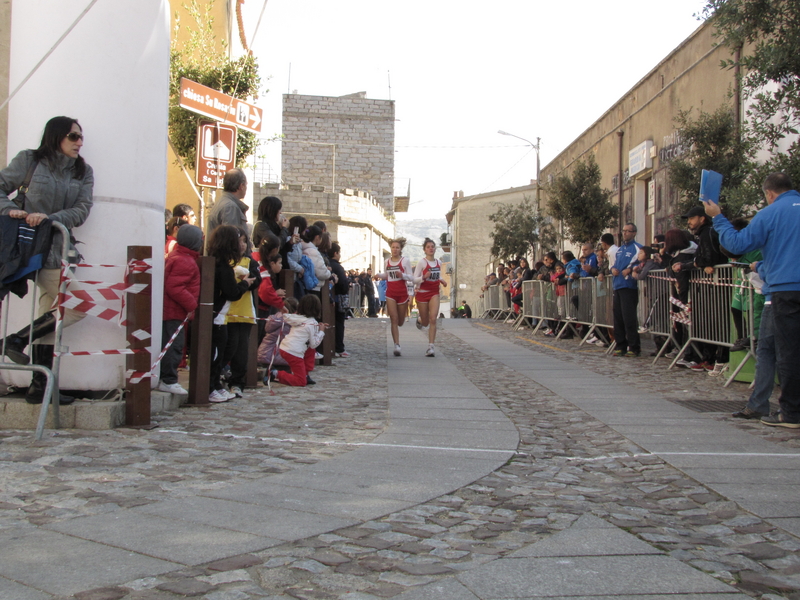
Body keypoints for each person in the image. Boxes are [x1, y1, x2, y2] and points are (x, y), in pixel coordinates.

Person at [0, 116, 94, 405]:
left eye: (80, 137)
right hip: (24, 248)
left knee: (50, 311)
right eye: (73, 136)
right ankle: (15, 340)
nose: (79, 142)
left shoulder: (83, 171)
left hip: (57, 248)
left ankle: (39, 386)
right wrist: (9, 210)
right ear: (56, 136)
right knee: (79, 305)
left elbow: (82, 209)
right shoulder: (29, 160)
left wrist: (50, 219)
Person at [705, 173, 800, 428]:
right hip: (778, 287)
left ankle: (791, 413)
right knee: (768, 348)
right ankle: (759, 405)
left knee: (787, 352)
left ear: (769, 194)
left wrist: (717, 217)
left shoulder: (770, 213)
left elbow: (737, 244)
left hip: (784, 290)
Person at [207, 225, 255, 403]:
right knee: (216, 354)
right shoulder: (223, 266)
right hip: (218, 315)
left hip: (222, 316)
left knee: (221, 353)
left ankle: (216, 385)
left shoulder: (219, 263)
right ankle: (210, 387)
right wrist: (245, 284)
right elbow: (231, 292)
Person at [159, 225, 203, 395]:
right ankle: (168, 379)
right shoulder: (185, 260)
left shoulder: (178, 256)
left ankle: (167, 378)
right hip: (174, 311)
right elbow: (175, 287)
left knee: (171, 344)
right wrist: (192, 305)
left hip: (172, 310)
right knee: (174, 346)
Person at [222, 227, 262, 398]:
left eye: (245, 241)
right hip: (226, 312)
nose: (243, 244)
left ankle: (237, 382)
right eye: (240, 240)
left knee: (241, 350)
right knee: (227, 347)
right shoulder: (225, 262)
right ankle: (221, 375)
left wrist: (246, 281)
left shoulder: (249, 261)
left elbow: (256, 280)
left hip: (244, 311)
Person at [267, 294, 327, 387]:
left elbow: (287, 316)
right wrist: (321, 332)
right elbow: (314, 344)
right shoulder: (312, 322)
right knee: (300, 381)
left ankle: (304, 374)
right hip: (294, 352)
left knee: (302, 362)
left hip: (285, 347)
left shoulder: (297, 318)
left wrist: (284, 311)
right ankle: (276, 374)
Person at [374, 238, 414, 356]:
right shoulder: (387, 261)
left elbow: (411, 277)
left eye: (397, 247)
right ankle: (396, 345)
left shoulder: (405, 261)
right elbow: (387, 275)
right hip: (390, 293)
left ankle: (398, 337)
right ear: (390, 248)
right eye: (393, 247)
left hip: (402, 293)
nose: (395, 249)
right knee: (393, 319)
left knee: (400, 321)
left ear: (400, 249)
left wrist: (403, 275)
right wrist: (379, 275)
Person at [611, 223, 642, 357]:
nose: (625, 233)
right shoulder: (620, 249)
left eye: (628, 231)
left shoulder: (637, 248)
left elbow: (642, 262)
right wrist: (612, 270)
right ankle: (620, 345)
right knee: (618, 317)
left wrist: (631, 269)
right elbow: (613, 265)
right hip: (617, 285)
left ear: (634, 233)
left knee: (629, 318)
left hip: (629, 286)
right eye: (623, 231)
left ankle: (634, 346)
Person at [414, 237, 447, 357]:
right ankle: (420, 320)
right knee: (425, 322)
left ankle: (431, 347)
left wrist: (442, 280)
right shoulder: (422, 262)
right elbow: (414, 279)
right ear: (424, 250)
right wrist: (423, 277)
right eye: (428, 247)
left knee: (433, 319)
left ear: (435, 249)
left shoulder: (439, 262)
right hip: (422, 292)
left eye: (432, 246)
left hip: (434, 292)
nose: (431, 249)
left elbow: (438, 275)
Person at [207, 169, 249, 233]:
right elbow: (231, 238)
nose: (246, 188)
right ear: (241, 186)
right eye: (246, 184)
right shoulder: (230, 207)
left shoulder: (223, 202)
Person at [328, 242, 350, 358]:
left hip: (329, 297)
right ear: (336, 253)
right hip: (338, 298)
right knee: (339, 323)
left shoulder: (326, 263)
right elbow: (343, 284)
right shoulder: (338, 267)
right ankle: (339, 347)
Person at [300, 225, 331, 297]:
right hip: (313, 287)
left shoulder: (302, 248)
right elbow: (321, 273)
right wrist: (328, 272)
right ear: (317, 237)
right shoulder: (313, 252)